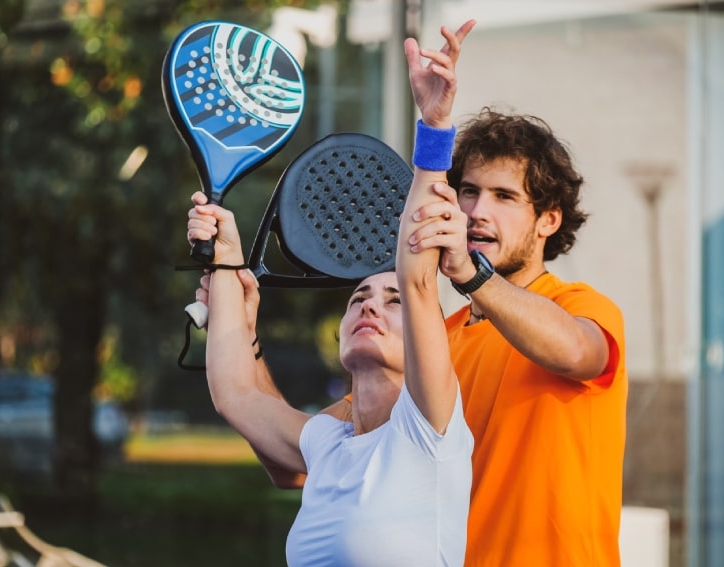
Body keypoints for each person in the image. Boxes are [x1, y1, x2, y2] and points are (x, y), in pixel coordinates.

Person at [231, 18, 629, 567]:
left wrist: (469, 274)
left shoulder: (580, 306)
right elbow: (297, 456)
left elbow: (576, 352)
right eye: (468, 192)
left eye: (504, 197)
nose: (478, 211)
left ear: (548, 221)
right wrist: (240, 327)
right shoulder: (431, 343)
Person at [185, 23, 477, 566]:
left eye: (393, 302)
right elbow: (235, 394)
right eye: (358, 298)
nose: (369, 303)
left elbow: (416, 274)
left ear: (426, 333)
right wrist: (226, 254)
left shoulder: (430, 433)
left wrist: (434, 128)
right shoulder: (328, 445)